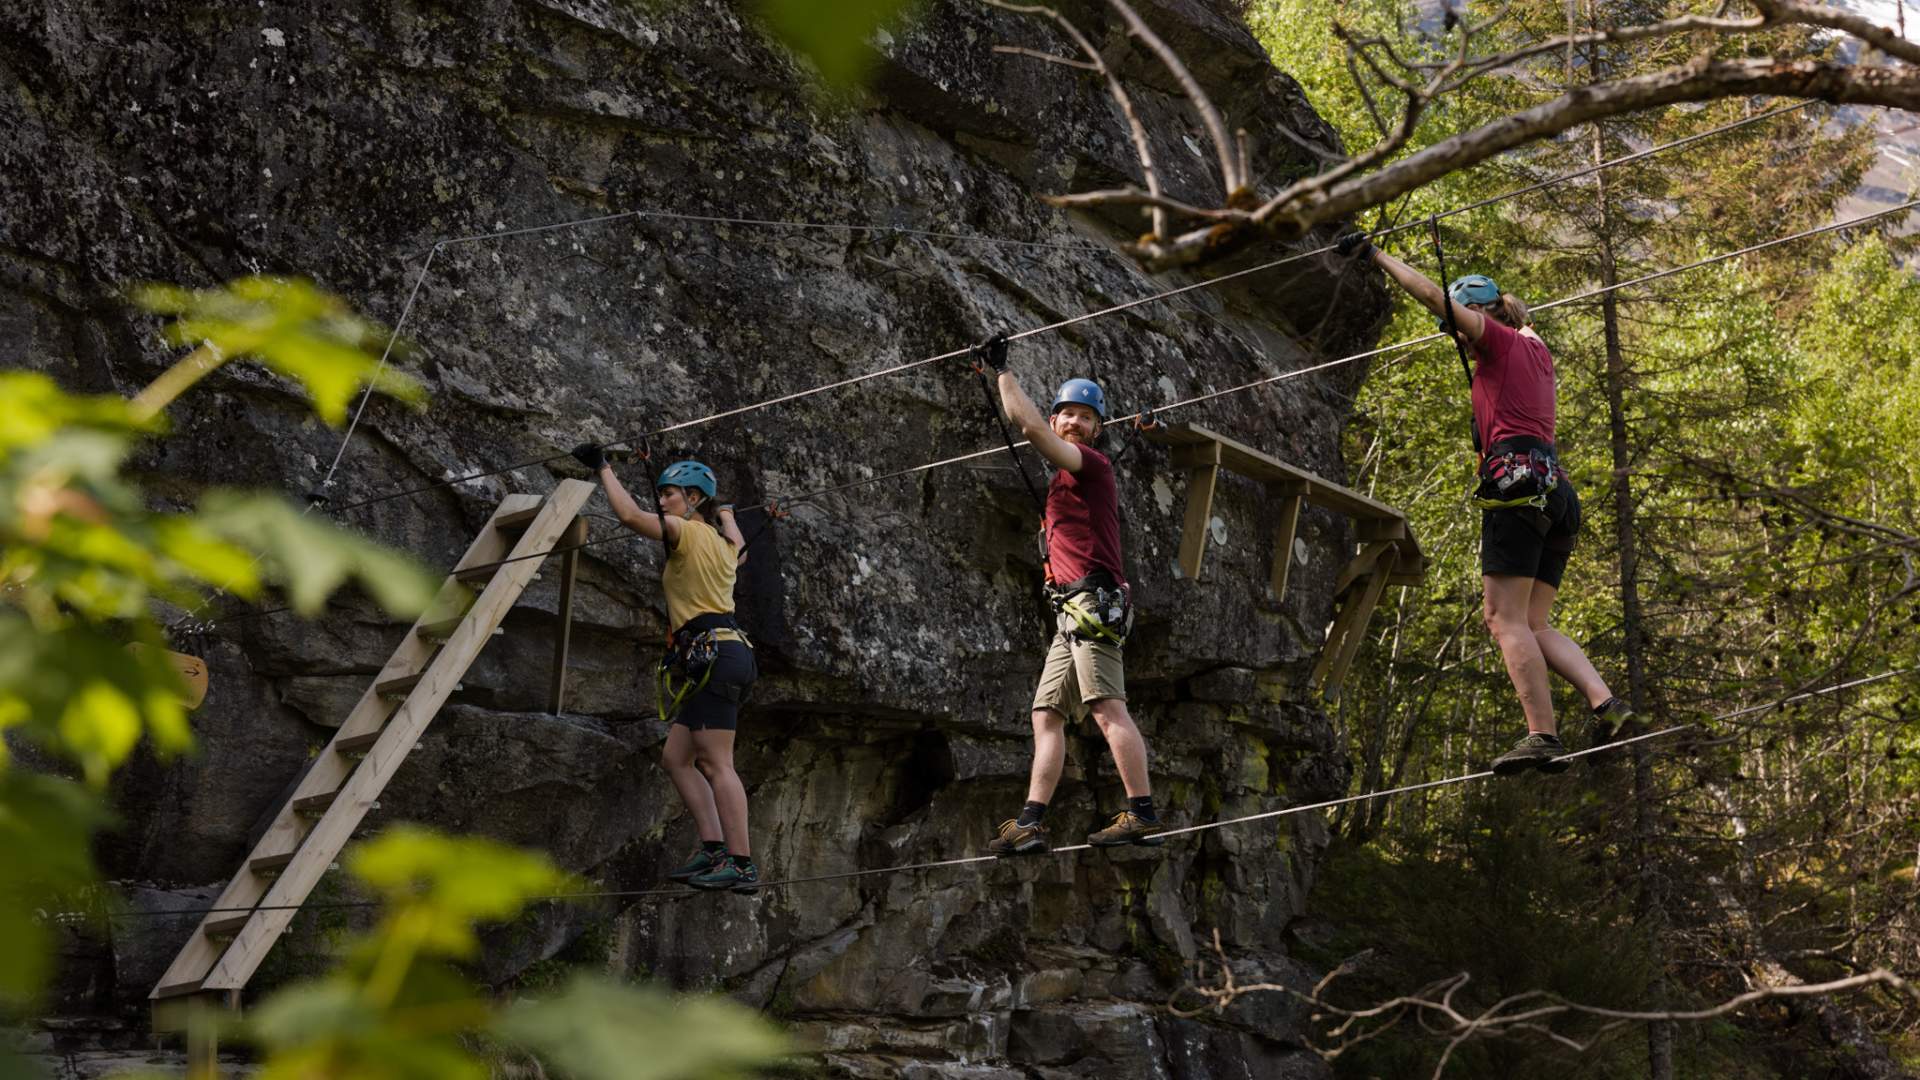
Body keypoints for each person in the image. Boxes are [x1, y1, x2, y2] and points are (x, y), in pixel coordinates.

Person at [1338, 233, 1633, 775]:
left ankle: (1542, 735)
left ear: (1476, 313)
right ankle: (1605, 701)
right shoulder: (1534, 346)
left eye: (1458, 326)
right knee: (1534, 622)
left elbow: (1432, 295)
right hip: (1555, 492)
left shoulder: (1497, 339)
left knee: (1502, 619)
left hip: (1517, 487)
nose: (1458, 337)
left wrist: (1375, 255)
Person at [974, 336, 1163, 852]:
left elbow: (1029, 428)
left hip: (1092, 605)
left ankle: (1142, 813)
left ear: (1096, 431)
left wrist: (1002, 372)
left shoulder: (1090, 465)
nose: (1074, 422)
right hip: (1073, 613)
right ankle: (1031, 822)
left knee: (1106, 709)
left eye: (1085, 417)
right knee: (1046, 715)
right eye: (1068, 415)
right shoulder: (1068, 478)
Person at [572, 444, 761, 889]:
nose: (663, 502)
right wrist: (729, 513)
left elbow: (631, 518)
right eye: (662, 494)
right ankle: (715, 850)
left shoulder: (690, 532)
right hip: (719, 655)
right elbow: (741, 548)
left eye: (671, 494)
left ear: (694, 499)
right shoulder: (722, 543)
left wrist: (604, 468)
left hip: (717, 655)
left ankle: (742, 864)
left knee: (717, 763)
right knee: (676, 758)